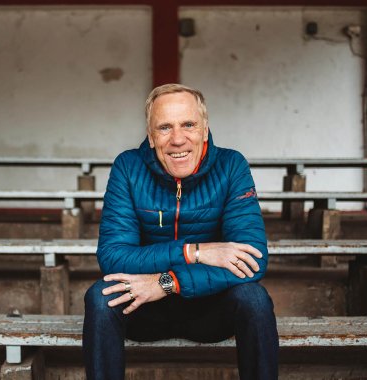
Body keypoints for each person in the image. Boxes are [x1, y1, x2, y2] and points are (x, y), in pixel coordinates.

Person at [82, 83, 278, 380]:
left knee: (254, 299)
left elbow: (253, 260)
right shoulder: (128, 167)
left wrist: (167, 282)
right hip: (143, 306)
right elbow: (113, 257)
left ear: (204, 128)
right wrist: (195, 252)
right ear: (150, 136)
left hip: (210, 308)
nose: (177, 139)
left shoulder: (231, 165)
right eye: (164, 127)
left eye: (188, 124)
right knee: (101, 297)